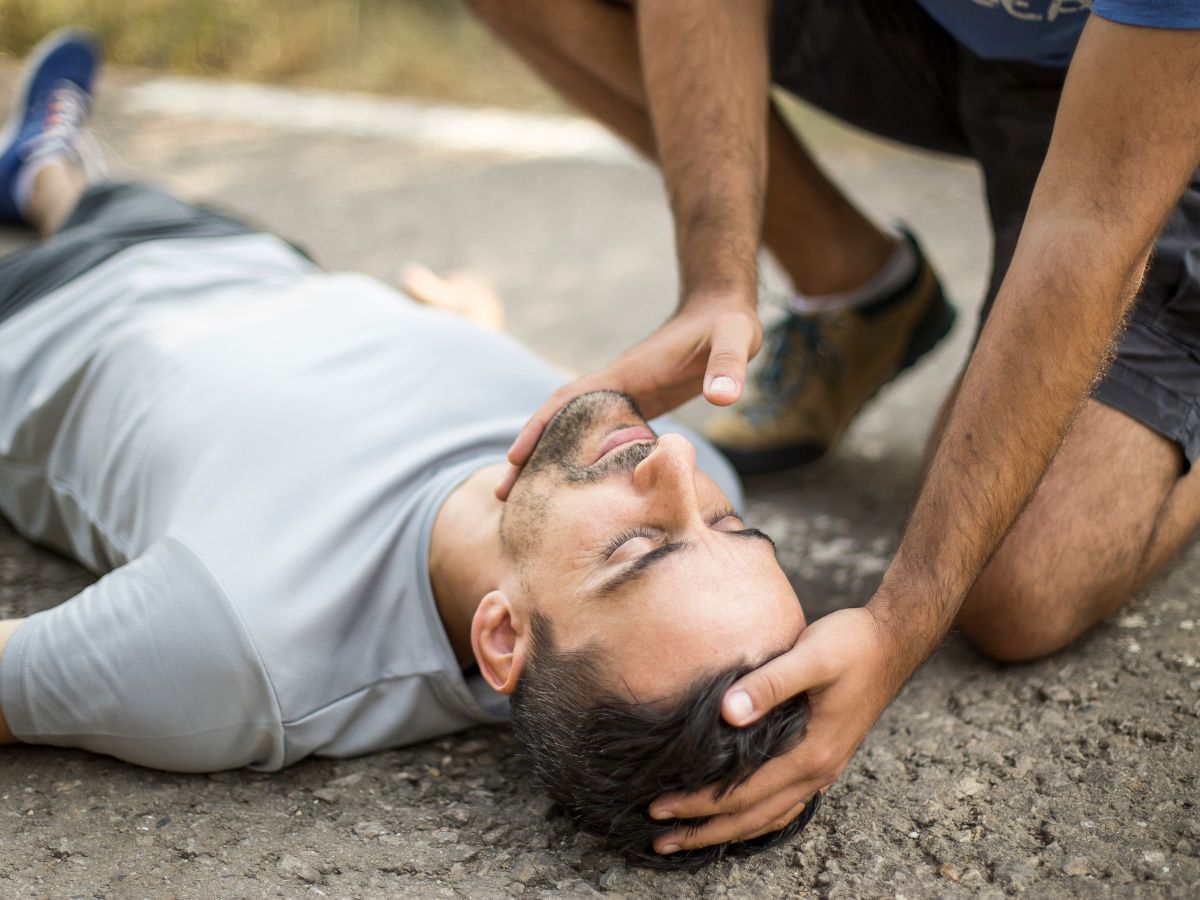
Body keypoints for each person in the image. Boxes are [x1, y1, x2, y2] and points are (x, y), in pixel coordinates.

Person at [0, 32, 819, 868]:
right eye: (733, 528)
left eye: (638, 546)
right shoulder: (652, 468)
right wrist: (475, 336)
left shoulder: (234, 652)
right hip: (250, 260)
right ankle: (40, 166)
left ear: (503, 638)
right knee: (83, 196)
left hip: (36, 324)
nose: (677, 463)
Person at [469, 0, 1200, 856]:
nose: (677, 452)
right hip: (953, 35)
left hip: (1160, 98)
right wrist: (717, 279)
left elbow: (1093, 219)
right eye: (729, 525)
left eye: (724, 524)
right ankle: (856, 285)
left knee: (1018, 589)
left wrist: (903, 621)